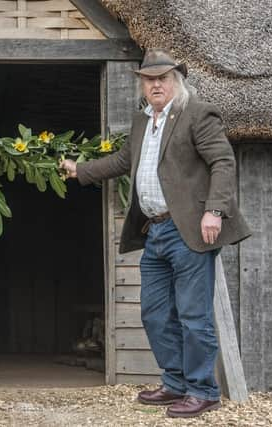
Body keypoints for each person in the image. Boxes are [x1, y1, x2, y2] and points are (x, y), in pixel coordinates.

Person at [60, 48, 250, 419]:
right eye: (150, 79)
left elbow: (223, 162)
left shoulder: (197, 113)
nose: (156, 84)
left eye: (163, 78)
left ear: (176, 80)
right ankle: (176, 382)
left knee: (194, 316)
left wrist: (214, 211)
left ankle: (202, 390)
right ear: (142, 85)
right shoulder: (142, 121)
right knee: (155, 313)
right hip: (156, 232)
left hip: (190, 231)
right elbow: (121, 162)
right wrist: (80, 170)